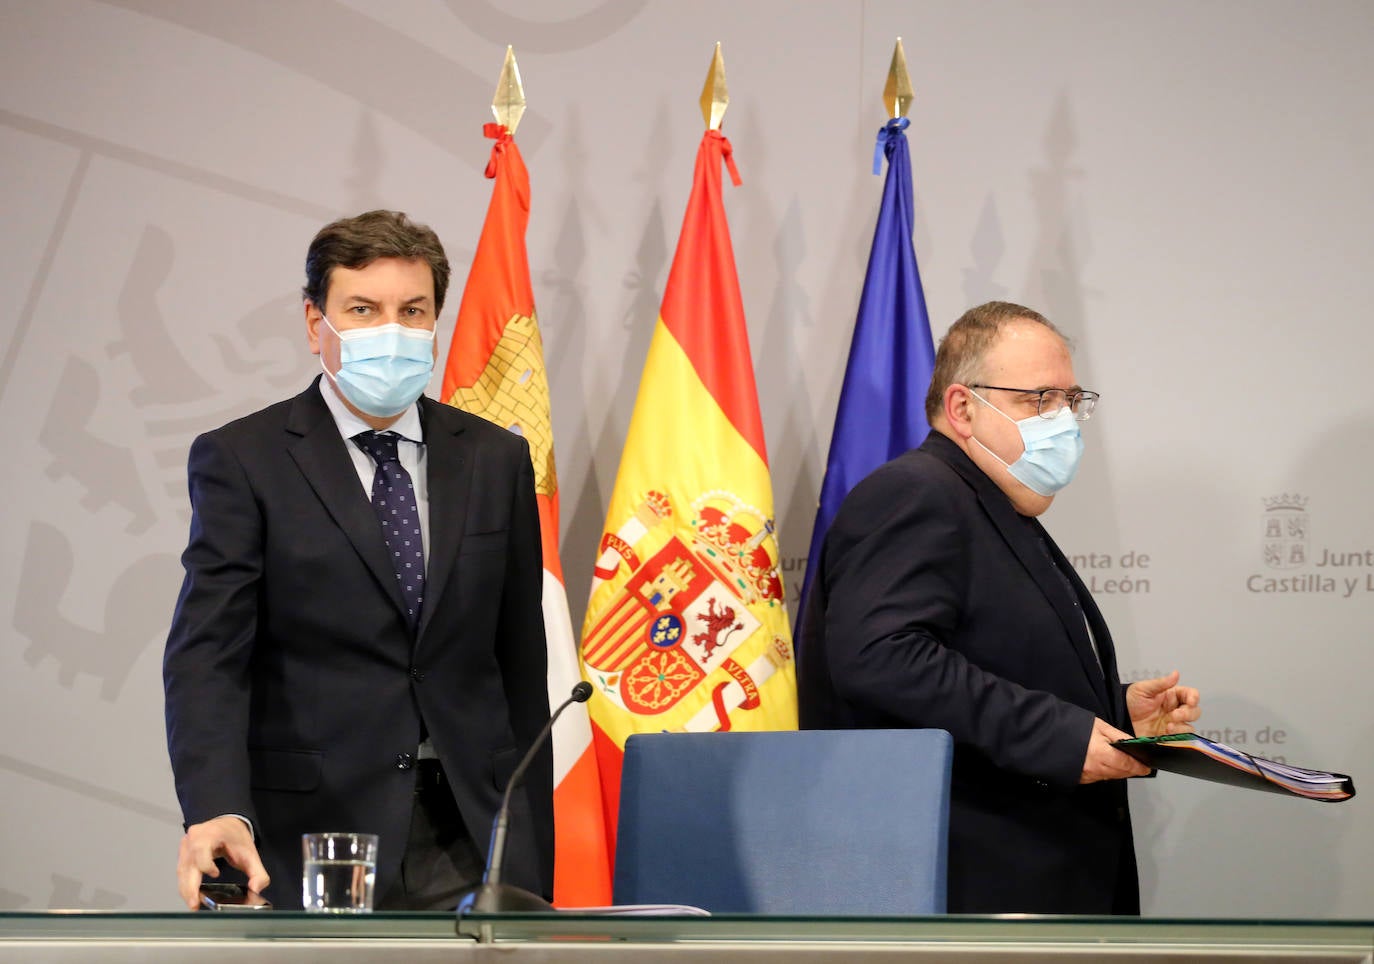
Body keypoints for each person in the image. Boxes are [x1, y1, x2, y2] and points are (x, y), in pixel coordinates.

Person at [163, 210, 552, 911]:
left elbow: (520, 661)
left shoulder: (495, 458)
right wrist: (214, 807)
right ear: (316, 324)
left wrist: (528, 837)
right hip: (313, 832)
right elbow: (209, 655)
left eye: (413, 310)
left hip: (470, 828)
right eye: (364, 310)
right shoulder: (244, 460)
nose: (391, 330)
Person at [797, 301, 1200, 915]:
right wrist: (1058, 735)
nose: (1062, 420)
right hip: (962, 891)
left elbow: (987, 662)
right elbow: (882, 658)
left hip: (1039, 883)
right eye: (1038, 400)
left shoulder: (996, 504)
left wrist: (1112, 712)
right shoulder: (918, 493)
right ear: (962, 408)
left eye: (1070, 400)